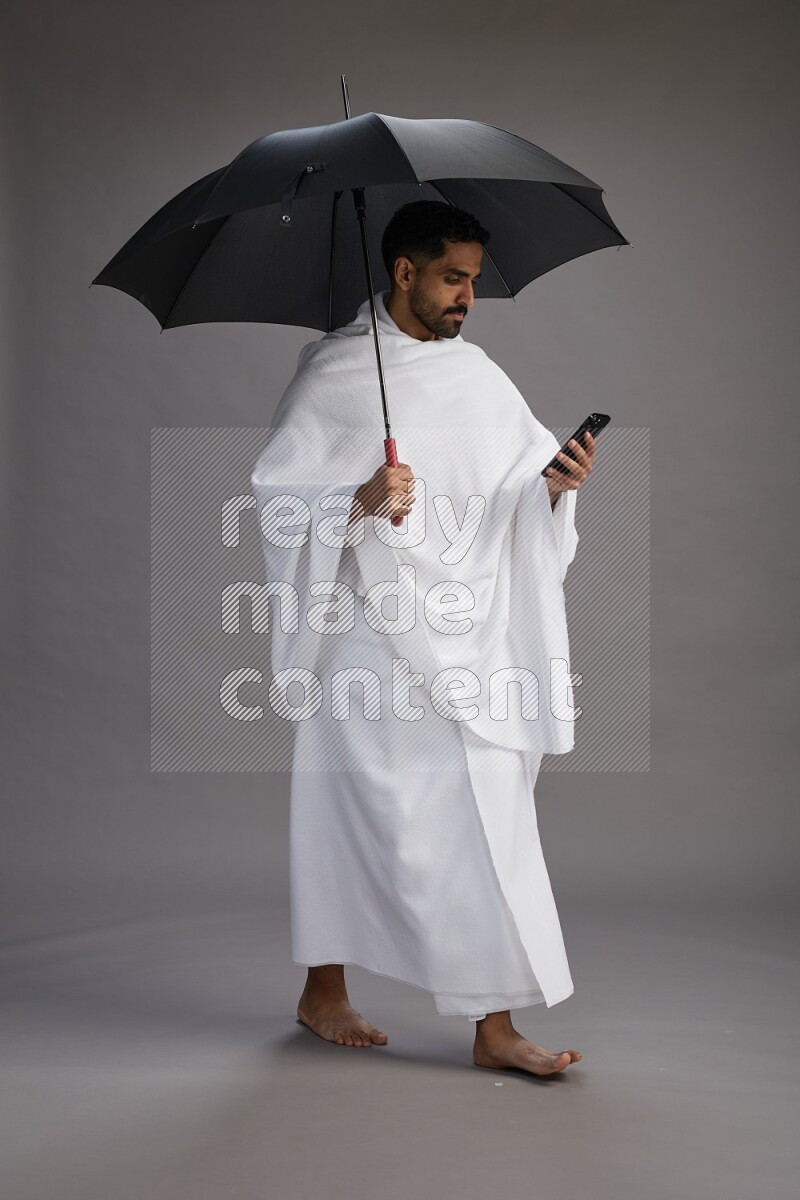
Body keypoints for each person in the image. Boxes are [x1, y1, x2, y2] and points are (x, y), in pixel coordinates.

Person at [250, 200, 596, 1077]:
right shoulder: (333, 371)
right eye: (453, 278)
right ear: (404, 272)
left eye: (474, 281)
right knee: (344, 814)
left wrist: (554, 488)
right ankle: (322, 990)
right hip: (366, 643)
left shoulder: (479, 377)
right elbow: (280, 506)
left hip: (469, 638)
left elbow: (513, 493)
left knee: (486, 818)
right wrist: (357, 501)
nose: (467, 298)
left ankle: (494, 1027)